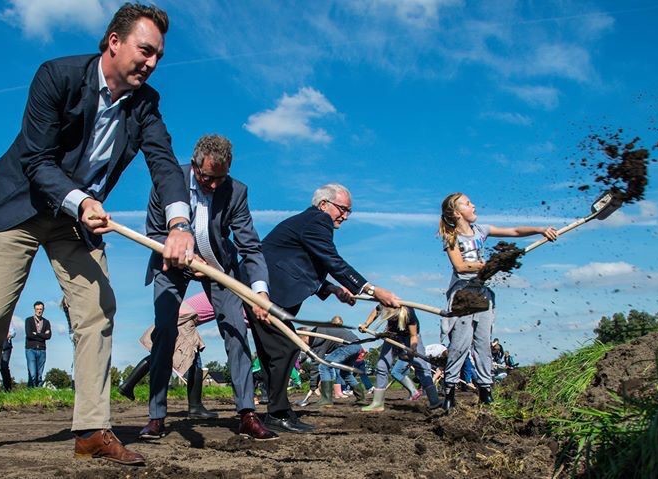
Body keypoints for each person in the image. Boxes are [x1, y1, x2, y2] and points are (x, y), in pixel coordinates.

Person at [0, 3, 196, 465]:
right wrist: (81, 200)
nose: (152, 63)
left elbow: (163, 162)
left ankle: (91, 430)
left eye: (159, 55)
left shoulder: (146, 105)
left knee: (98, 310)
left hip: (76, 223)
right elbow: (36, 160)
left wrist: (180, 224)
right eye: (145, 50)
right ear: (114, 42)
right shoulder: (56, 76)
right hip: (19, 208)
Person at [140, 134, 276, 442]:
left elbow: (250, 247)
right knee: (165, 331)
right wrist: (178, 253)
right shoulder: (168, 180)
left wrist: (260, 292)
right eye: (206, 177)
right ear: (194, 165)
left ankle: (247, 414)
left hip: (218, 268)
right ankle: (156, 417)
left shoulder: (236, 191)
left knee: (237, 332)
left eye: (220, 178)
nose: (213, 184)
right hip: (171, 264)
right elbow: (154, 232)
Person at [247, 183, 400, 433]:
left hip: (272, 294)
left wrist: (332, 289)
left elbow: (297, 264)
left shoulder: (308, 224)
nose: (345, 216)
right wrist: (372, 290)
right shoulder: (318, 221)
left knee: (278, 351)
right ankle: (276, 412)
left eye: (349, 211)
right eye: (343, 209)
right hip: (264, 295)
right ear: (323, 205)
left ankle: (281, 411)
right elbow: (331, 260)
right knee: (284, 348)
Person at [438, 192, 557, 410]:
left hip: (483, 294)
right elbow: (461, 266)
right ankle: (449, 391)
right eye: (468, 203)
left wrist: (540, 230)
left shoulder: (481, 231)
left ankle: (485, 390)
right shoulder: (451, 237)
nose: (473, 205)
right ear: (456, 213)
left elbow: (514, 231)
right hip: (463, 296)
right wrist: (491, 264)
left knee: (483, 343)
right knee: (460, 345)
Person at [118, 292, 218, 424]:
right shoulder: (227, 294)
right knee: (193, 359)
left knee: (161, 354)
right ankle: (195, 407)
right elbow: (244, 319)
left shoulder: (213, 290)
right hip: (184, 318)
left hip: (177, 314)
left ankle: (127, 385)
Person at [359, 306, 442, 411]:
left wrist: (413, 348)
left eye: (392, 318)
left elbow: (413, 335)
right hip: (392, 336)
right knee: (381, 366)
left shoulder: (409, 314)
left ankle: (434, 401)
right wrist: (366, 324)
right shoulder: (386, 303)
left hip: (410, 337)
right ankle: (377, 403)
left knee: (421, 366)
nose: (390, 320)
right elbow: (376, 310)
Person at [24, 301, 52, 388]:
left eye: (41, 309)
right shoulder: (28, 320)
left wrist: (36, 334)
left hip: (42, 350)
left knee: (39, 374)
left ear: (43, 310)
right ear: (34, 309)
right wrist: (42, 335)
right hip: (31, 349)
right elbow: (29, 334)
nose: (39, 311)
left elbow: (48, 336)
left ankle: (37, 391)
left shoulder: (46, 322)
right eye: (37, 309)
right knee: (32, 373)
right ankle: (31, 390)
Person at [0, 324, 16, 392]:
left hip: (6, 346)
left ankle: (8, 388)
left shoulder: (8, 319)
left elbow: (13, 332)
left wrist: (8, 335)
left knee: (4, 367)